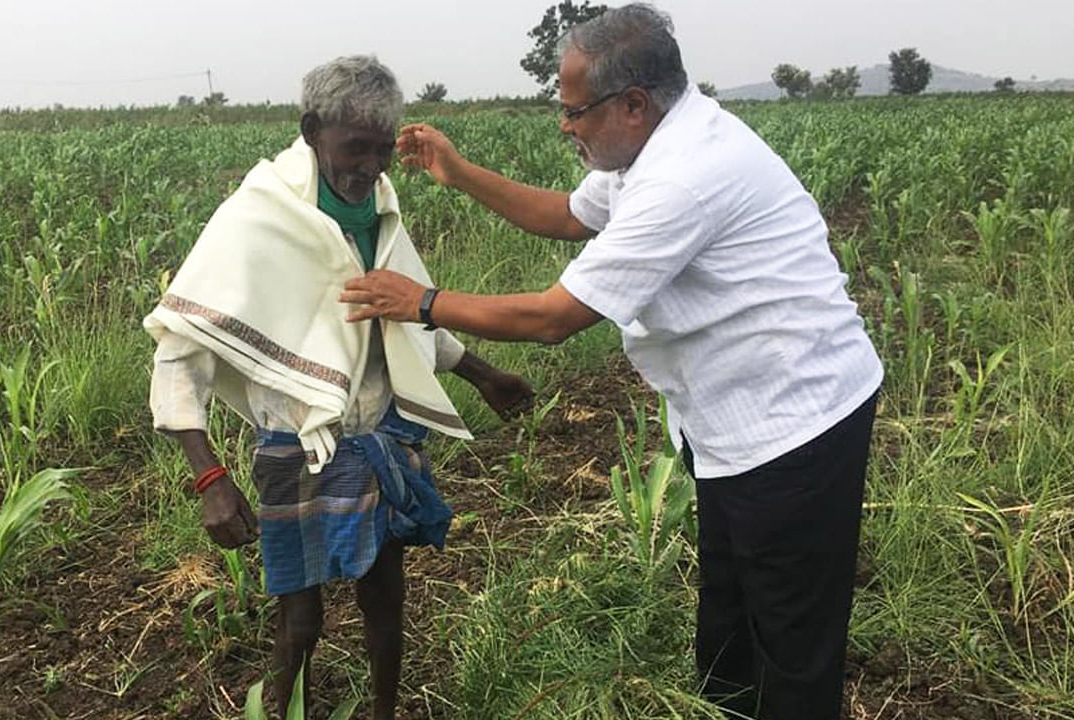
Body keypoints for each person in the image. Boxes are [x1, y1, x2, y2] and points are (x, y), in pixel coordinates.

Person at [338, 5, 883, 719]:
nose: (565, 126)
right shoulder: (646, 142)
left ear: (632, 103)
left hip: (795, 426)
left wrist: (423, 301)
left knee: (792, 634)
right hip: (732, 422)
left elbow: (553, 318)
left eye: (575, 112)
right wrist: (461, 172)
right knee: (730, 606)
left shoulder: (684, 177)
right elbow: (568, 214)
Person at [143, 55, 533, 719]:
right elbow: (180, 356)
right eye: (357, 148)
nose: (371, 167)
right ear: (312, 130)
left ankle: (383, 712)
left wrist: (482, 374)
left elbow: (410, 316)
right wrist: (209, 479)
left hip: (381, 434)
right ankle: (280, 709)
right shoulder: (257, 218)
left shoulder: (380, 207)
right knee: (301, 622)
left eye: (384, 151)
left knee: (386, 603)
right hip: (295, 444)